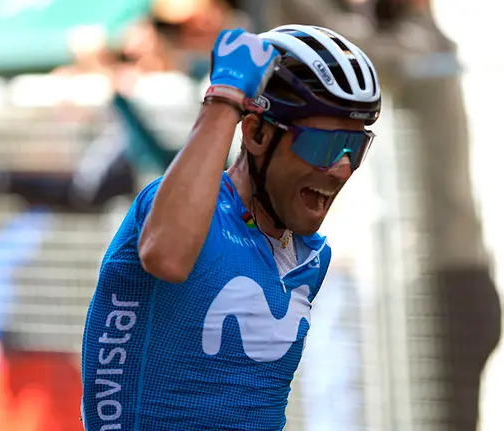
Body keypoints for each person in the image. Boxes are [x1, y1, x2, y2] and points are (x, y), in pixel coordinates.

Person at [80, 24, 381, 431]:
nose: (342, 167)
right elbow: (166, 256)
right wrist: (225, 97)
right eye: (324, 146)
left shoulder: (309, 254)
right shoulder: (184, 212)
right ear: (256, 133)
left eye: (354, 148)